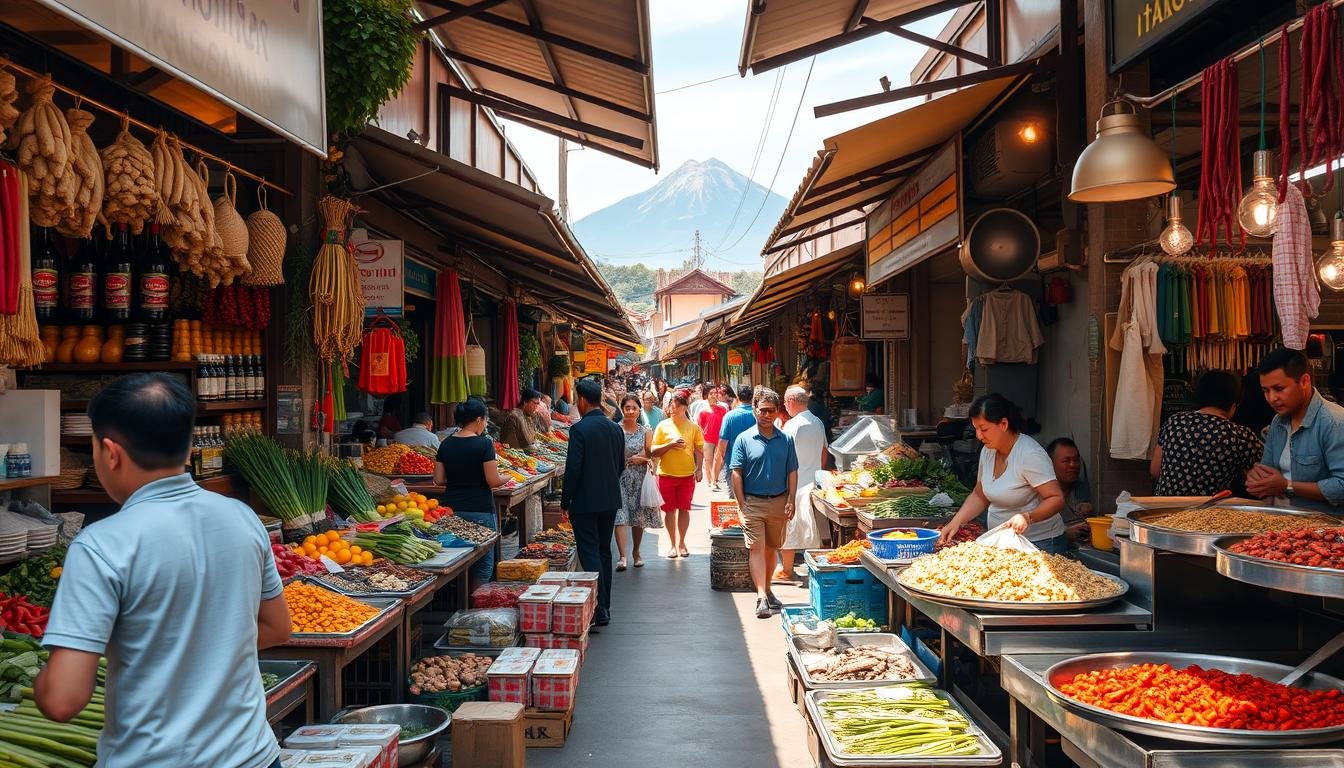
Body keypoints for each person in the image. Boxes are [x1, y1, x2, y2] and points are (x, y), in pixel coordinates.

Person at [36, 373, 291, 768]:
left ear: (110, 452)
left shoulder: (101, 544)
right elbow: (277, 628)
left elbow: (62, 700)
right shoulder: (243, 518)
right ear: (189, 446)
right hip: (255, 757)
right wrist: (203, 653)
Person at [939, 394, 1068, 553]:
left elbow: (1056, 498)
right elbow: (980, 495)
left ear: (1004, 424)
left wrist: (1028, 517)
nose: (979, 436)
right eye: (976, 429)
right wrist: (955, 522)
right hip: (1004, 542)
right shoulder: (988, 451)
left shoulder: (1029, 454)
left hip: (1041, 543)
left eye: (984, 429)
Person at [729, 387, 799, 619]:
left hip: (779, 502)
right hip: (753, 503)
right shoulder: (744, 439)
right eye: (763, 410)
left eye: (771, 411)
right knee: (756, 548)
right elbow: (736, 473)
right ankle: (761, 597)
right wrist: (741, 503)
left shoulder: (786, 439)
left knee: (771, 548)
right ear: (755, 411)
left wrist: (791, 499)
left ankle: (767, 589)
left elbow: (792, 471)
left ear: (778, 412)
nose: (767, 415)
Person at [1246, 348, 1344, 513]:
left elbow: (1341, 485)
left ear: (1305, 381)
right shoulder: (1278, 421)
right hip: (1278, 521)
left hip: (1322, 529)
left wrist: (1287, 486)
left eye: (1279, 389)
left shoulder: (1335, 422)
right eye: (1265, 391)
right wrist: (1258, 479)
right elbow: (1267, 469)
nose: (1271, 398)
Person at [562, 378, 626, 627]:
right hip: (609, 499)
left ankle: (597, 609)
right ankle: (605, 607)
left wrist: (566, 499)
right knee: (603, 552)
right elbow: (621, 465)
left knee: (589, 552)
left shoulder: (579, 430)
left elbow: (573, 469)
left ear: (582, 400)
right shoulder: (614, 428)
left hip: (585, 502)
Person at [1150, 370, 1263, 498]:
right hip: (1208, 513)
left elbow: (1155, 470)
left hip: (1162, 509)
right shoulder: (1240, 435)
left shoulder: (1174, 421)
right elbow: (1259, 483)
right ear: (1233, 406)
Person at [434, 398, 509, 587]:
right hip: (480, 509)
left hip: (451, 509)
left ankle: (458, 601)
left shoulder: (446, 444)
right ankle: (476, 604)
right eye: (485, 420)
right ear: (478, 419)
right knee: (483, 564)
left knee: (455, 557)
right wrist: (506, 477)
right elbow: (493, 480)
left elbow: (439, 479)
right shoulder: (484, 444)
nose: (484, 424)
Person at [777, 386, 828, 581]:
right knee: (814, 530)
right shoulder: (818, 422)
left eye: (785, 401)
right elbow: (824, 452)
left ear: (791, 401)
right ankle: (817, 569)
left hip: (794, 485)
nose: (784, 405)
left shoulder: (792, 425)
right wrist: (817, 472)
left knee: (789, 528)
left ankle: (787, 570)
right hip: (813, 483)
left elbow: (782, 455)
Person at [651, 390, 705, 558]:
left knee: (684, 509)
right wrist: (670, 444)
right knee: (669, 511)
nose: (671, 410)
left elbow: (699, 449)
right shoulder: (662, 426)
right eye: (670, 407)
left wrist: (699, 468)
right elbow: (653, 451)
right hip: (666, 474)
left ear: (684, 407)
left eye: (675, 406)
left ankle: (682, 543)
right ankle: (672, 544)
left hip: (687, 475)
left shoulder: (693, 427)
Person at [615, 394, 661, 570]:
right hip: (620, 477)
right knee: (620, 516)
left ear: (639, 410)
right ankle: (622, 556)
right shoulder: (616, 429)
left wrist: (640, 458)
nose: (631, 411)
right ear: (622, 409)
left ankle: (636, 552)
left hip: (640, 478)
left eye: (634, 408)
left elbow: (649, 454)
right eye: (627, 408)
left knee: (637, 518)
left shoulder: (645, 430)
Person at [1045, 438, 1093, 542]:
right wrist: (1063, 533)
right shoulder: (1040, 494)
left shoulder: (1080, 487)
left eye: (1076, 460)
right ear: (1050, 463)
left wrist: (1087, 510)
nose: (1073, 465)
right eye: (1066, 461)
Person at [714, 385, 757, 492]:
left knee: (734, 503)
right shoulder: (757, 415)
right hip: (755, 465)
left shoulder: (729, 417)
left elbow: (722, 448)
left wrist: (715, 476)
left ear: (737, 397)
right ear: (752, 398)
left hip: (733, 465)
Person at [697, 386, 730, 491]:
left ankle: (714, 479)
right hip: (707, 439)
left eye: (715, 393)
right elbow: (700, 425)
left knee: (719, 459)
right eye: (711, 393)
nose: (713, 395)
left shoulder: (723, 409)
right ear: (707, 396)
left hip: (720, 438)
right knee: (708, 460)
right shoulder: (703, 411)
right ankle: (711, 481)